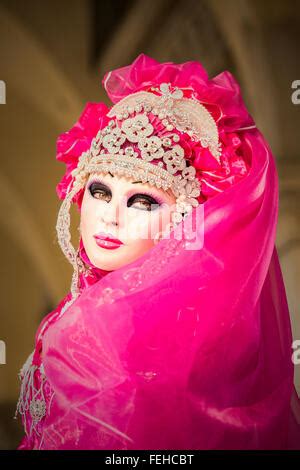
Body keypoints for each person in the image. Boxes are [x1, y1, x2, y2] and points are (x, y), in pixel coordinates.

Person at [14, 53, 300, 450]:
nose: (110, 217)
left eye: (143, 201)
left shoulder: (115, 340)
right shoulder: (80, 318)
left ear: (185, 221)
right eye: (99, 191)